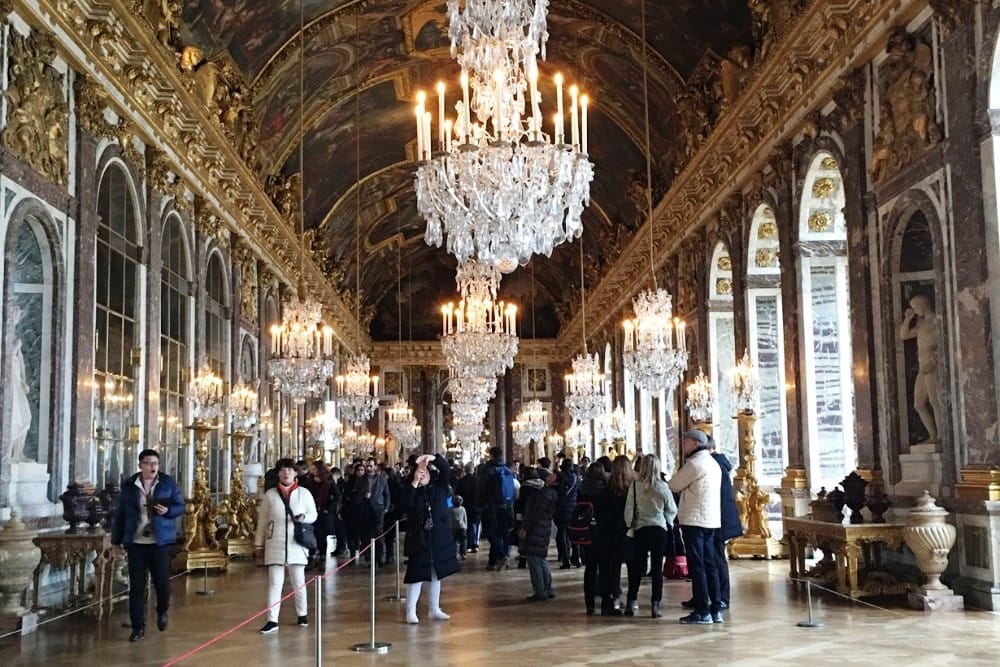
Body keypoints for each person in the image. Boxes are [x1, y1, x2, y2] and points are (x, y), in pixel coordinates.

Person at [110, 448, 185, 642]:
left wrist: (167, 511)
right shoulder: (129, 485)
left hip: (160, 542)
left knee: (162, 583)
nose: (152, 467)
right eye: (148, 463)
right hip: (136, 542)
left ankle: (162, 610)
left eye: (155, 464)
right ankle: (137, 627)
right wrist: (115, 541)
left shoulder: (167, 483)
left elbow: (180, 506)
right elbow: (120, 515)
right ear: (140, 465)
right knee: (137, 586)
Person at [255, 457, 318, 634]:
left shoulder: (303, 493)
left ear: (295, 472)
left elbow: (313, 514)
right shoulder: (270, 495)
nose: (286, 473)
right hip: (275, 542)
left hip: (296, 543)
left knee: (299, 581)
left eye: (289, 469)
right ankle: (272, 619)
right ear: (278, 473)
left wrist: (303, 517)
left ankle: (302, 614)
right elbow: (262, 521)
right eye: (282, 470)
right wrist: (258, 544)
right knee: (275, 583)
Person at [669, 430, 722, 625]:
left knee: (697, 567)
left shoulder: (695, 463)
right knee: (710, 565)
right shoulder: (712, 462)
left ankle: (701, 611)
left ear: (694, 443)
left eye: (685, 442)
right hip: (710, 520)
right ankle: (716, 608)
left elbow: (674, 484)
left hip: (694, 520)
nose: (683, 445)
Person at [400, 453, 459, 624]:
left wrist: (433, 458)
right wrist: (414, 483)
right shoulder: (411, 491)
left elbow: (446, 470)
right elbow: (405, 504)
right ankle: (411, 611)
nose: (423, 474)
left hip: (439, 537)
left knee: (436, 574)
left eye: (425, 472)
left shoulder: (439, 487)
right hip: (419, 538)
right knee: (416, 575)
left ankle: (434, 609)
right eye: (420, 472)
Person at [623, 454, 677, 618]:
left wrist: (630, 525)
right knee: (656, 569)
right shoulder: (663, 487)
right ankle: (655, 605)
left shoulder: (635, 486)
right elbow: (672, 509)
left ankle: (631, 602)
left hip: (641, 529)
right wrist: (667, 520)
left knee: (637, 568)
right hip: (659, 530)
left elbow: (629, 509)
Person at [898, 293, 942, 442]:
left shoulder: (937, 320)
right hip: (922, 368)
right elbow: (904, 335)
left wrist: (935, 360)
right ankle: (933, 435)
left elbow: (945, 344)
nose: (915, 311)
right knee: (918, 404)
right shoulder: (921, 324)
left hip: (932, 366)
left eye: (915, 307)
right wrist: (908, 319)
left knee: (935, 401)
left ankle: (941, 436)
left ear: (923, 305)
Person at [594, 455, 634, 615]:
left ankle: (608, 601)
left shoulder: (605, 490)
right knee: (633, 568)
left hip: (606, 533)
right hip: (628, 533)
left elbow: (600, 513)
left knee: (608, 568)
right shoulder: (633, 490)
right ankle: (632, 600)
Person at [519, 469, 558, 601]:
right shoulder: (551, 493)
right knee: (541, 558)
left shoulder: (541, 494)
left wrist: (526, 528)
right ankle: (548, 588)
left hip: (536, 528)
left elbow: (535, 513)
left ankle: (540, 591)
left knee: (534, 560)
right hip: (544, 526)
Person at [477, 446, 516, 571]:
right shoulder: (507, 470)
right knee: (501, 534)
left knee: (490, 533)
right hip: (506, 506)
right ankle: (492, 561)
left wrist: (479, 504)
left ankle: (502, 555)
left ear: (491, 455)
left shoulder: (488, 470)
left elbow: (481, 489)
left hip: (491, 507)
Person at [577, 463, 607, 615]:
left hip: (587, 531)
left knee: (590, 568)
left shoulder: (582, 489)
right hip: (603, 532)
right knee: (604, 567)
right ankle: (605, 600)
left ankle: (589, 604)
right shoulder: (605, 489)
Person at [5, 302, 33, 463]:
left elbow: (21, 361)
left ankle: (18, 453)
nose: (17, 318)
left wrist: (24, 381)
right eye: (15, 314)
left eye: (18, 315)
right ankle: (7, 454)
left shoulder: (15, 336)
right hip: (8, 380)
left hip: (16, 380)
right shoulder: (5, 336)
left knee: (26, 416)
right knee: (13, 416)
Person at [302, 460, 339, 569]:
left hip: (324, 512)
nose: (312, 471)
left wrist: (328, 509)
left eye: (314, 469)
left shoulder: (328, 481)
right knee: (311, 534)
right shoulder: (309, 481)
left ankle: (322, 558)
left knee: (322, 536)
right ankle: (312, 557)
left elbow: (336, 496)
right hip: (311, 511)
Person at [555, 458, 581, 569]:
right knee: (574, 535)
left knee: (563, 536)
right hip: (574, 509)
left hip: (563, 510)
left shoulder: (562, 479)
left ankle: (566, 560)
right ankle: (576, 558)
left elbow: (559, 494)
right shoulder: (577, 479)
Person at [455, 462, 480, 553]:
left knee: (466, 525)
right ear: (473, 470)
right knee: (476, 526)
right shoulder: (478, 480)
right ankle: (475, 544)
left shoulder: (461, 481)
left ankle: (468, 544)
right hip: (476, 506)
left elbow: (457, 494)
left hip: (465, 507)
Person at [449, 494, 468, 560]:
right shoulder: (463, 508)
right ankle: (463, 553)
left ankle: (453, 554)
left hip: (453, 528)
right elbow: (465, 518)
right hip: (462, 527)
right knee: (463, 541)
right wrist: (466, 526)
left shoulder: (449, 509)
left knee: (453, 542)